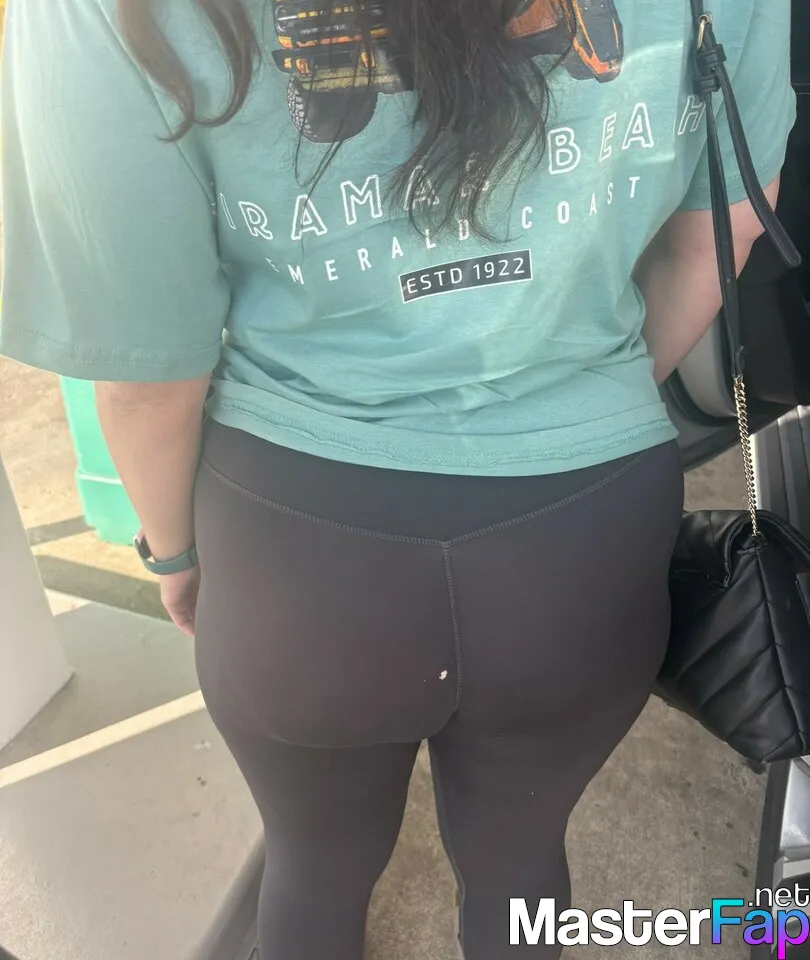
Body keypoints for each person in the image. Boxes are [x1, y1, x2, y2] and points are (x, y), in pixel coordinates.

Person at [0, 1, 795, 957]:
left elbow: (146, 382)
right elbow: (721, 234)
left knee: (314, 866)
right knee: (522, 860)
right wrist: (601, 402)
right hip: (586, 537)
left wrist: (175, 552)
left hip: (298, 546)